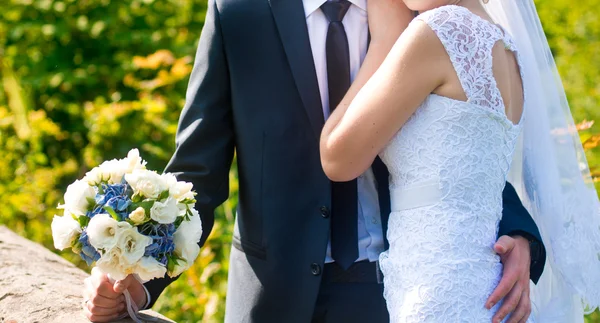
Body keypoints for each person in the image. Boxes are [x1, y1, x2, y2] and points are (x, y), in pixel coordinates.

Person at [82, 0, 546, 322]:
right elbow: (198, 171)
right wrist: (138, 275)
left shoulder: (419, 14)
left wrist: (519, 233)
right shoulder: (239, 12)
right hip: (271, 296)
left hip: (390, 288)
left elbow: (462, 143)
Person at [320, 0, 600, 322]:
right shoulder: (505, 45)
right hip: (480, 283)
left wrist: (386, 39)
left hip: (435, 290)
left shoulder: (439, 31)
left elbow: (338, 158)